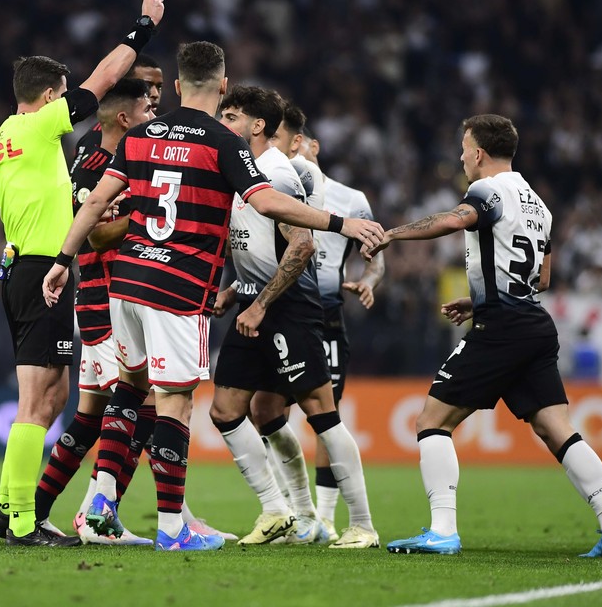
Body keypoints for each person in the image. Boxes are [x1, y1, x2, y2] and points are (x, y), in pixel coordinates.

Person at [42, 41, 385, 551]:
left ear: (177, 87)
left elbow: (95, 202)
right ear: (222, 86)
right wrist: (342, 221)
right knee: (175, 405)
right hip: (177, 288)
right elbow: (266, 201)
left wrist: (61, 261)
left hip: (127, 284)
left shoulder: (140, 136)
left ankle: (102, 502)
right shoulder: (224, 142)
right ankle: (173, 528)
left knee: (130, 389)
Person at [365, 114, 602, 557]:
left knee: (431, 422)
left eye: (463, 148)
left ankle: (442, 531)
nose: (460, 157)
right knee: (556, 428)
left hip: (503, 329)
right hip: (533, 323)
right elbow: (542, 277)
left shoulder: (486, 191)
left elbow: (456, 221)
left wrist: (392, 234)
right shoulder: (539, 205)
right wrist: (479, 299)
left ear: (478, 153)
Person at [0, 0, 165, 547]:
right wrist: (143, 26)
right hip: (41, 272)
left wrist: (81, 209)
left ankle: (12, 510)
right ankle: (20, 521)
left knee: (50, 399)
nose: (71, 107)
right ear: (46, 97)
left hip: (21, 266)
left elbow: (41, 201)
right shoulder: (38, 126)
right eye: (64, 96)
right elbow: (104, 80)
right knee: (39, 402)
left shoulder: (1, 140)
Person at [210, 87, 378, 549]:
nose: (223, 121)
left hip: (288, 308)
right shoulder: (241, 169)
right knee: (233, 411)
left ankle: (362, 524)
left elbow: (302, 245)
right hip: (253, 303)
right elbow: (258, 244)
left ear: (257, 126)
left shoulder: (278, 172)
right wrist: (235, 292)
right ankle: (288, 514)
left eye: (231, 115)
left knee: (321, 412)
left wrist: (261, 303)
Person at [32, 78, 156, 545]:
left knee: (89, 417)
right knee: (140, 405)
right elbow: (98, 235)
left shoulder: (92, 147)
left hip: (103, 298)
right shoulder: (100, 163)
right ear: (123, 118)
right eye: (147, 108)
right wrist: (150, 217)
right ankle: (99, 517)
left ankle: (32, 509)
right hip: (106, 301)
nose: (153, 117)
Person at [261, 119, 387, 543]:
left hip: (326, 317)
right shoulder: (271, 187)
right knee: (267, 410)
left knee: (322, 416)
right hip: (280, 312)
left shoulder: (351, 200)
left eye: (279, 139)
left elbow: (377, 254)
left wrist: (369, 280)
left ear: (304, 143)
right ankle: (300, 512)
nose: (273, 148)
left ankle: (328, 518)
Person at [72, 54, 165, 158]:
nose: (155, 93)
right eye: (147, 85)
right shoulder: (97, 139)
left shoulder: (163, 132)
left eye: (159, 86)